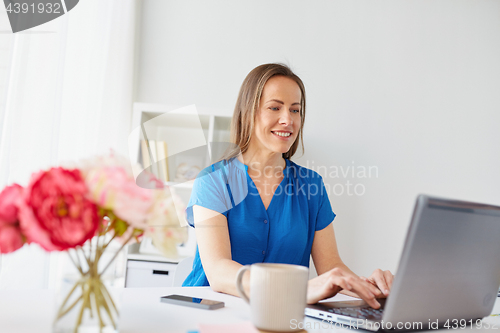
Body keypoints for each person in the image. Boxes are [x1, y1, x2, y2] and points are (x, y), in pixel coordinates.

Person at [182, 63, 393, 308]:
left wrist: (373, 288)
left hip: (281, 317)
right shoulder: (213, 181)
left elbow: (332, 268)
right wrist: (296, 289)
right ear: (248, 112)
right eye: (275, 107)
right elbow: (219, 272)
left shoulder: (311, 185)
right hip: (212, 315)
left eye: (295, 110)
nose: (287, 120)